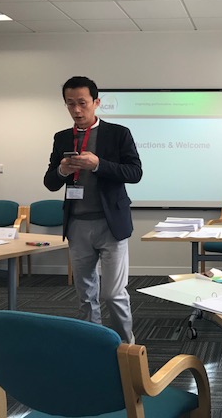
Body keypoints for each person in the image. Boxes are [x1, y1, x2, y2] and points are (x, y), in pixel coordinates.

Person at [43, 76, 143, 343]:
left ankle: (126, 348)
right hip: (77, 225)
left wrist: (98, 164)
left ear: (96, 102)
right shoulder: (62, 137)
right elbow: (50, 182)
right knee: (85, 294)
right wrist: (62, 170)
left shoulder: (118, 133)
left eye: (82, 103)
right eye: (70, 104)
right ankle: (94, 345)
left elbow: (135, 173)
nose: (77, 110)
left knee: (113, 294)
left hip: (111, 224)